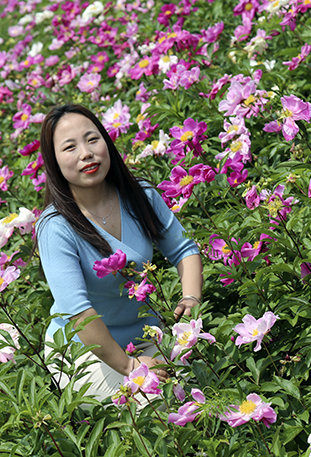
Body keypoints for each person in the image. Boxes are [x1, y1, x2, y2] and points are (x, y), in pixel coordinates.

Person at [35, 103, 203, 403]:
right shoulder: (55, 227)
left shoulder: (140, 196)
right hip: (84, 351)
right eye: (70, 147)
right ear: (54, 162)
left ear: (107, 142)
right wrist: (130, 367)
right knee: (150, 406)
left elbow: (184, 249)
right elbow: (78, 313)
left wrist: (191, 298)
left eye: (92, 139)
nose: (86, 153)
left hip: (147, 336)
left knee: (197, 388)